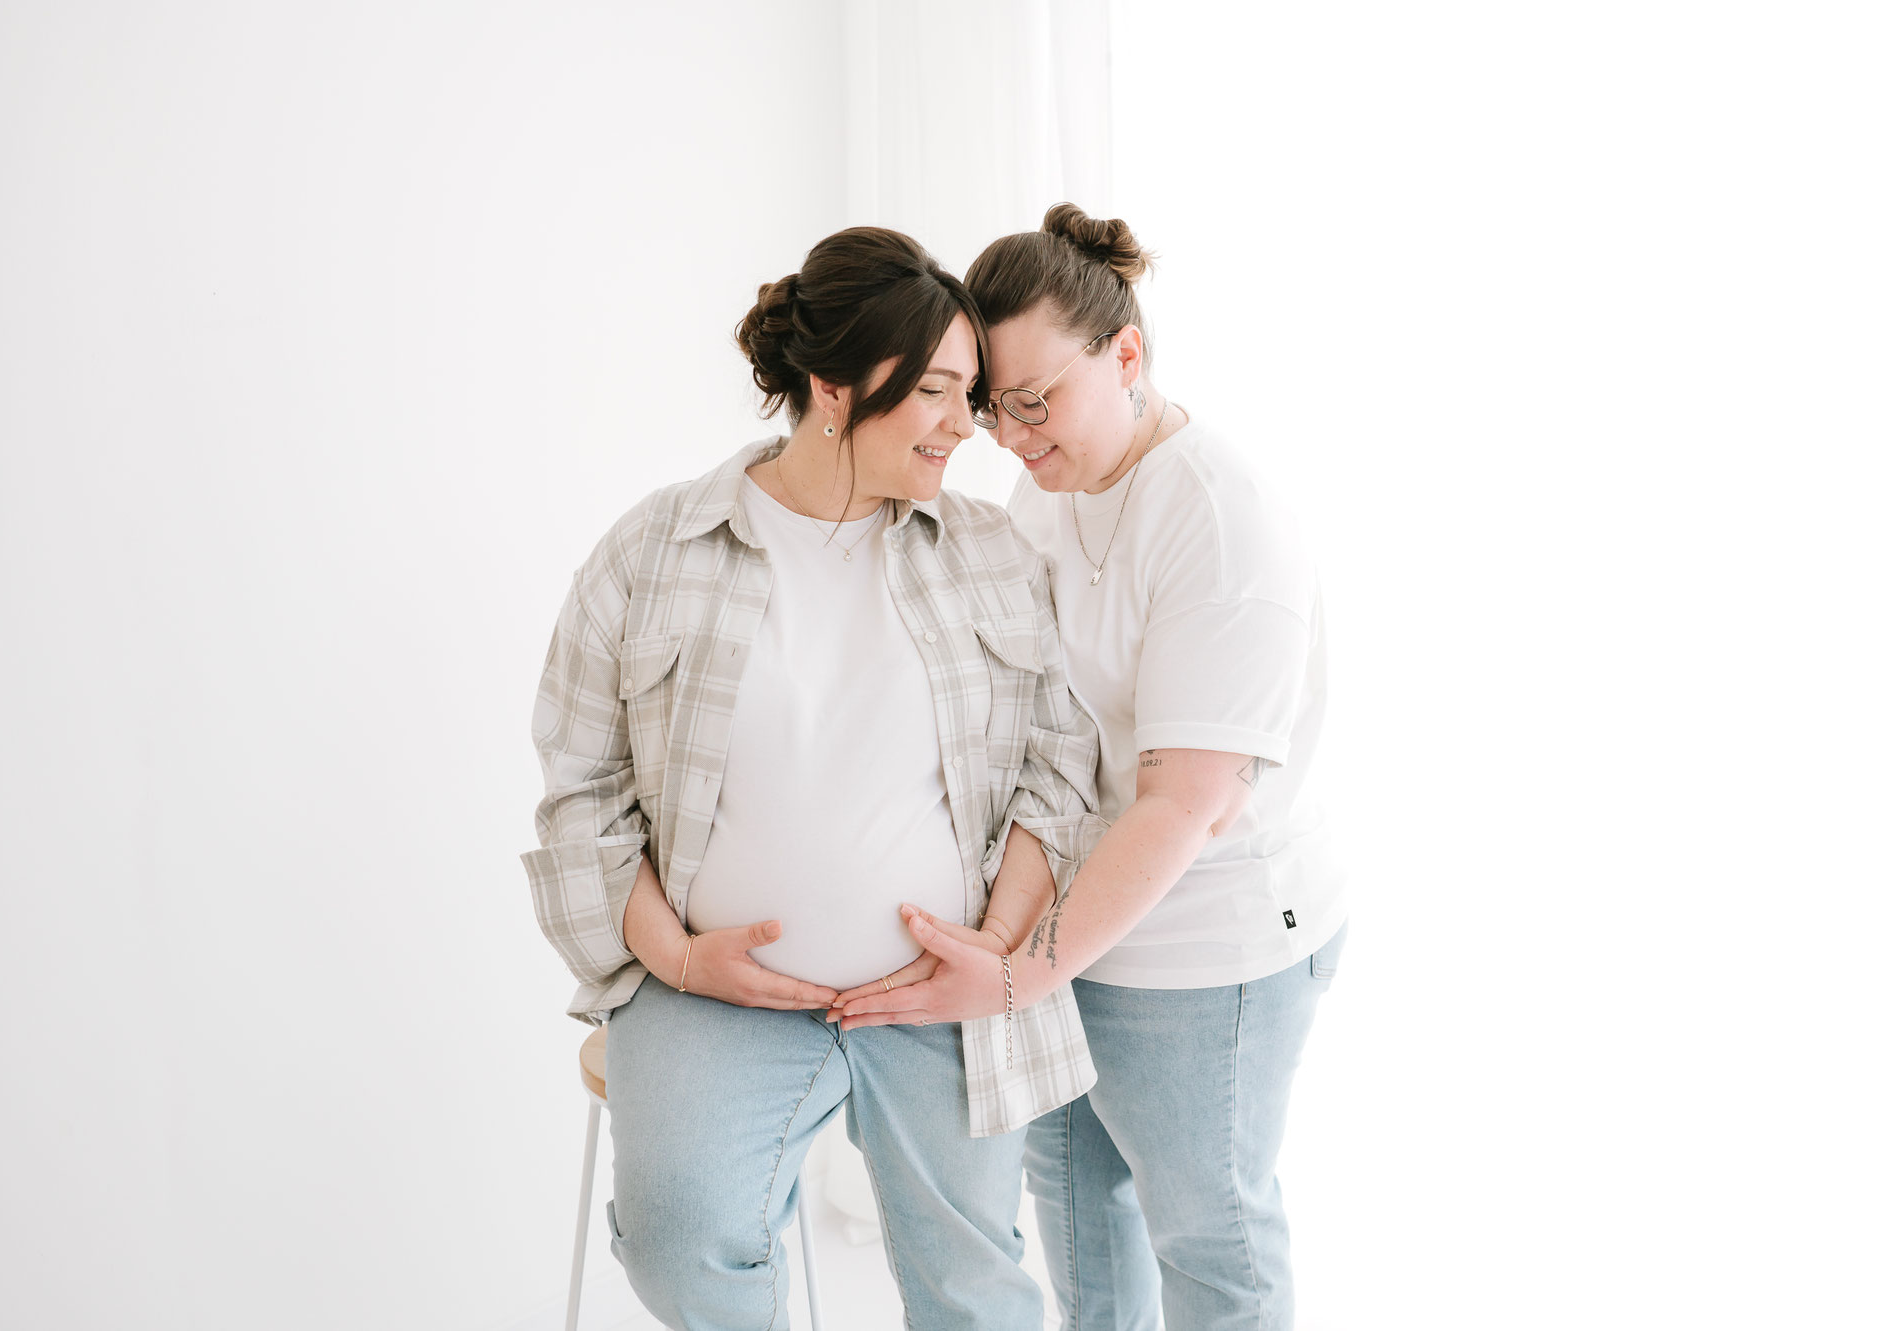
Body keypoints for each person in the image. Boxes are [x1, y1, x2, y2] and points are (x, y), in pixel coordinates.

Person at [520, 225, 1107, 1331]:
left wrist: (993, 950)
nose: (964, 425)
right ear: (834, 387)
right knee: (678, 1241)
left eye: (970, 393)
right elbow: (580, 794)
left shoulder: (988, 553)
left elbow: (1057, 769)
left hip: (941, 990)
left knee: (973, 1289)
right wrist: (679, 954)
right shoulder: (655, 552)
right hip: (714, 993)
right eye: (935, 392)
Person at [832, 204, 1348, 1330]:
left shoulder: (1222, 526)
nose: (1009, 438)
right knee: (1074, 1210)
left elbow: (1181, 804)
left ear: (1126, 353)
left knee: (1207, 1232)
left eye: (1031, 402)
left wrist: (1018, 976)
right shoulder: (1054, 482)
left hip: (1204, 946)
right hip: (1073, 928)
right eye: (989, 410)